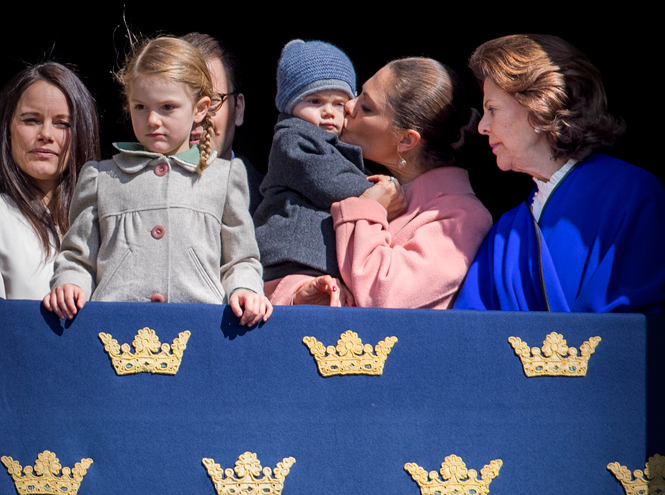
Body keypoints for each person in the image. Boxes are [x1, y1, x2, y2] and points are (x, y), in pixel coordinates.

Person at [43, 36, 271, 325]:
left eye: (167, 107)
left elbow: (240, 260)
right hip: (113, 331)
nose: (152, 120)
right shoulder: (101, 178)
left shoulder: (223, 177)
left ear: (200, 109)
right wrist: (70, 283)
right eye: (140, 107)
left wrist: (245, 288)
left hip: (202, 332)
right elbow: (78, 257)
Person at [454, 34, 665, 312]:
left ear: (541, 104)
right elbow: (472, 329)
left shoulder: (634, 194)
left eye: (492, 109)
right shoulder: (506, 229)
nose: (482, 126)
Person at [267, 57, 493, 309]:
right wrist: (298, 293)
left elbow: (383, 295)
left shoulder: (462, 217)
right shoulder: (336, 177)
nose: (348, 106)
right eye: (358, 94)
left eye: (367, 107)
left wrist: (368, 208)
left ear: (406, 141)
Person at [253, 40, 372, 283]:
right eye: (315, 101)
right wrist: (373, 190)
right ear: (290, 105)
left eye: (339, 104)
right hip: (291, 253)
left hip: (314, 256)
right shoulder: (291, 139)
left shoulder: (331, 143)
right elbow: (329, 182)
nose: (328, 111)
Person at [0, 62, 100, 300]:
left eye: (62, 123)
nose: (46, 134)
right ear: (8, 129)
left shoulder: (106, 215)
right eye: (31, 120)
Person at [181, 32, 264, 215]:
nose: (197, 117)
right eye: (178, 104)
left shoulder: (272, 204)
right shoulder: (133, 193)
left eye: (211, 102)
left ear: (239, 109)